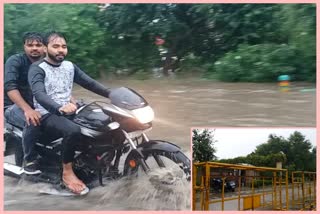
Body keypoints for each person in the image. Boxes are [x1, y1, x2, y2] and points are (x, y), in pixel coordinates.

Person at [28, 31, 111, 194]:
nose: (61, 50)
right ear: (45, 48)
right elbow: (39, 94)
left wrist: (112, 94)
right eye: (56, 46)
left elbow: (90, 83)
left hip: (69, 110)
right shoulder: (37, 68)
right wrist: (58, 107)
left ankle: (95, 162)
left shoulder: (69, 66)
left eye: (64, 47)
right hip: (47, 113)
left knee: (101, 122)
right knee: (73, 130)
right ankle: (68, 172)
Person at [4, 32, 45, 174]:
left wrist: (72, 101)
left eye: (38, 45)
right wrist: (27, 109)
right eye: (30, 45)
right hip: (13, 106)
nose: (34, 48)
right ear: (24, 47)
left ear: (45, 47)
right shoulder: (16, 61)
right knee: (35, 121)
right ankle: (30, 161)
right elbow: (10, 87)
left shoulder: (48, 63)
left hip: (38, 105)